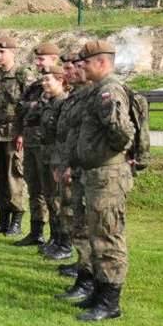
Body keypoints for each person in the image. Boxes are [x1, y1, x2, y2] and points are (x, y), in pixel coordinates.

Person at [73, 40, 135, 321]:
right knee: (96, 234)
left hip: (107, 174)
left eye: (86, 62)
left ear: (101, 62)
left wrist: (108, 154)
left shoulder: (109, 90)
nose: (82, 67)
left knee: (108, 235)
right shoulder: (97, 90)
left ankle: (110, 303)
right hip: (96, 174)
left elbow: (122, 131)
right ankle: (99, 292)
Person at [53, 52, 95, 299]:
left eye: (77, 67)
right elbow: (67, 134)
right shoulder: (76, 97)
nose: (71, 72)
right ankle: (83, 269)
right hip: (72, 164)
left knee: (86, 224)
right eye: (69, 68)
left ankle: (88, 278)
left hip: (88, 168)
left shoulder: (93, 96)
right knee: (75, 219)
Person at [14, 42, 60, 247]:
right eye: (37, 59)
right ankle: (36, 231)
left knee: (52, 192)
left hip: (48, 146)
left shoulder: (59, 84)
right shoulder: (35, 86)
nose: (38, 63)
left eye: (42, 59)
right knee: (34, 189)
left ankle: (57, 236)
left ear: (54, 59)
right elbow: (20, 108)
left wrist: (31, 106)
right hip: (31, 143)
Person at [0, 37, 32, 236]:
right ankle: (2, 217)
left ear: (13, 52)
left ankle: (16, 219)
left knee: (14, 175)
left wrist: (22, 132)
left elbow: (30, 105)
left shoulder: (22, 74)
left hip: (14, 132)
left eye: (1, 52)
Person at [39, 64, 70, 259]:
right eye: (43, 79)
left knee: (60, 200)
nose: (43, 83)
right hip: (47, 155)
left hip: (58, 158)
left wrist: (61, 163)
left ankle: (65, 243)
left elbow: (64, 136)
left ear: (60, 80)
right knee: (50, 198)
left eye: (47, 79)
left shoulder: (63, 103)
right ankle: (55, 238)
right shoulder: (49, 102)